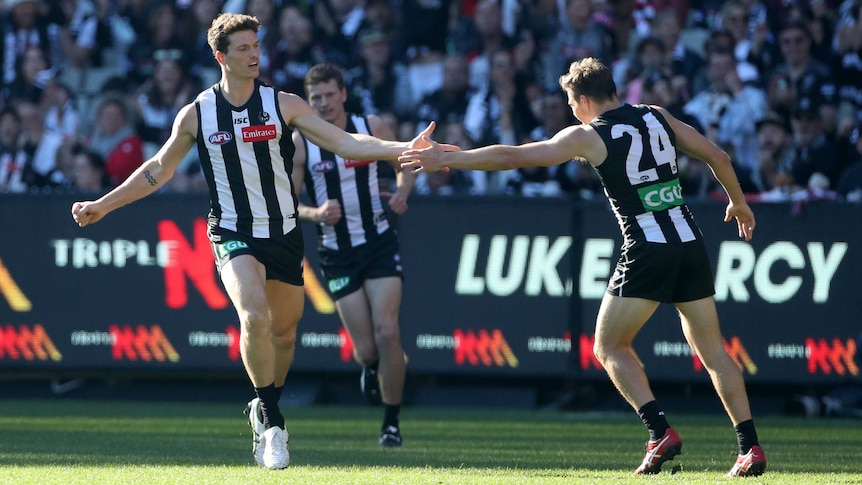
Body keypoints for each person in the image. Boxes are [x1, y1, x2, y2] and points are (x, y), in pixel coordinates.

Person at [70, 13, 452, 470]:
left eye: (256, 45)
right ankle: (272, 423)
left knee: (284, 333)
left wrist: (401, 149)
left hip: (284, 234)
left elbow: (345, 142)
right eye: (244, 48)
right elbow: (158, 170)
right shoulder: (197, 113)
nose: (255, 54)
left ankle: (264, 403)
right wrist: (104, 204)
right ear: (221, 58)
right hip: (231, 231)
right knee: (254, 313)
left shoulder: (284, 104)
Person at [399, 57, 767, 477]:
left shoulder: (589, 135)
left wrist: (449, 158)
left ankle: (659, 431)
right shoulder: (657, 116)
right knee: (714, 351)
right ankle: (749, 447)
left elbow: (513, 157)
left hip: (648, 246)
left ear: (585, 100)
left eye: (573, 104)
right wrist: (738, 202)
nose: (573, 111)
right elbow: (717, 155)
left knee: (608, 347)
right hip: (689, 241)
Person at [291, 63, 412, 447]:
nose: (324, 104)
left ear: (343, 94)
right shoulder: (300, 141)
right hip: (337, 253)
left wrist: (402, 191)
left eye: (329, 95)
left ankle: (391, 424)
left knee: (388, 330)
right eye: (316, 99)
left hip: (379, 242)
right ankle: (371, 367)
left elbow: (405, 162)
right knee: (366, 349)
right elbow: (289, 203)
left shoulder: (371, 125)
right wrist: (315, 213)